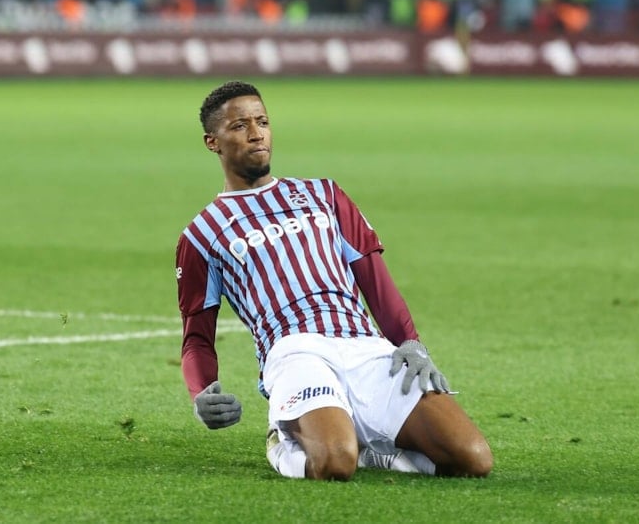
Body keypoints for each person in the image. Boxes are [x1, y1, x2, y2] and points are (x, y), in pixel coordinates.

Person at [176, 81, 493, 481]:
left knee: (472, 459)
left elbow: (376, 282)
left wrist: (411, 342)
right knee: (334, 463)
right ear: (213, 142)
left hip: (366, 348)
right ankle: (280, 441)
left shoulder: (324, 194)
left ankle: (375, 453)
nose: (256, 134)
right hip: (295, 352)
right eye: (240, 126)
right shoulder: (201, 236)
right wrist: (201, 391)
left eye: (263, 122)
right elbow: (197, 336)